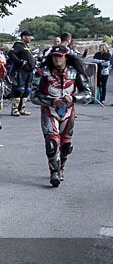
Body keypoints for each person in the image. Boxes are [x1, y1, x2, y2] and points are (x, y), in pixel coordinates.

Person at [30, 45, 91, 187]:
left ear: (66, 57)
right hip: (49, 111)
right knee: (51, 143)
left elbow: (87, 93)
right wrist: (52, 101)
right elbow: (33, 95)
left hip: (69, 112)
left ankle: (61, 166)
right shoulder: (43, 73)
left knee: (66, 145)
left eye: (60, 56)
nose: (57, 59)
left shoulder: (75, 73)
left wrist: (74, 98)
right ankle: (54, 172)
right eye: (55, 56)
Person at [7, 30, 36, 116]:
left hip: (29, 72)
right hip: (21, 71)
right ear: (23, 37)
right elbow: (11, 53)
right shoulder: (18, 45)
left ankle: (22, 108)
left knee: (27, 90)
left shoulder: (26, 46)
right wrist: (19, 62)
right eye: (29, 36)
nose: (30, 37)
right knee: (19, 89)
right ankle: (15, 109)